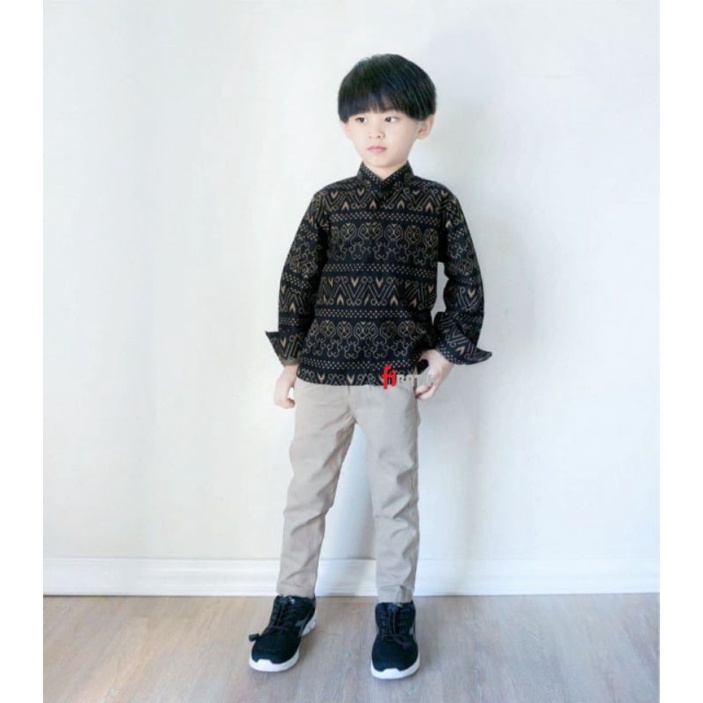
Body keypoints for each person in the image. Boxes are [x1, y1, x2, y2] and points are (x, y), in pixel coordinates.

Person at [249, 53, 492, 680]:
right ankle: (292, 604)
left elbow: (465, 280)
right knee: (307, 493)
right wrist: (291, 359)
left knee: (395, 494)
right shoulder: (329, 203)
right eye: (361, 119)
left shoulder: (436, 204)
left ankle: (395, 611)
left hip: (389, 374)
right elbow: (297, 280)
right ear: (345, 128)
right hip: (323, 373)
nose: (376, 130)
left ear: (423, 124)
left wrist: (446, 351)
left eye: (392, 117)